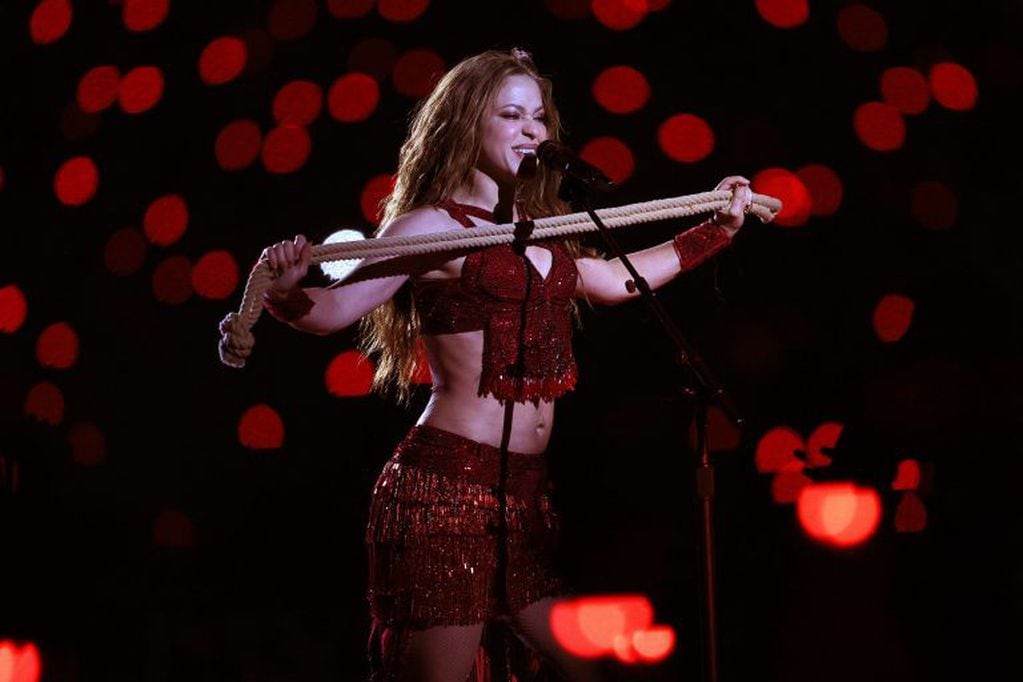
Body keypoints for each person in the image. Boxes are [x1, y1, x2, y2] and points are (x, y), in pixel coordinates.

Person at [259, 48, 751, 682]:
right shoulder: (428, 226)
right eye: (511, 114)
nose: (532, 131)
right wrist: (285, 289)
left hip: (523, 504)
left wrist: (716, 228)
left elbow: (610, 280)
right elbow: (331, 312)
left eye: (539, 117)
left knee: (585, 670)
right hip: (446, 497)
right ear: (468, 124)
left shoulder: (532, 226)